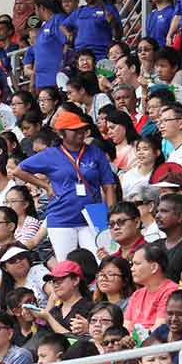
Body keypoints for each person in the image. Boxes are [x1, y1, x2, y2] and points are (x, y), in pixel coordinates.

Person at [14, 110, 118, 260]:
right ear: (61, 133)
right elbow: (19, 170)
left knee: (101, 260)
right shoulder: (51, 154)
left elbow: (109, 186)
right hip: (61, 217)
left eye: (82, 129)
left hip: (94, 215)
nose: (80, 133)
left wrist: (110, 214)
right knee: (67, 264)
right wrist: (46, 186)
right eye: (74, 130)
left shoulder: (95, 152)